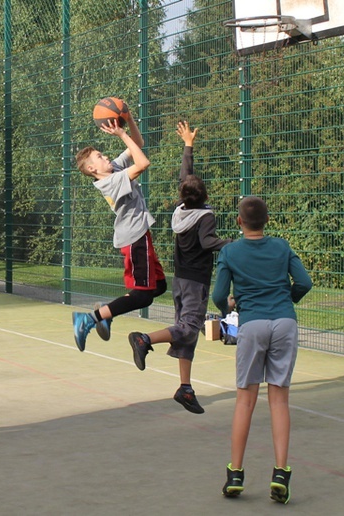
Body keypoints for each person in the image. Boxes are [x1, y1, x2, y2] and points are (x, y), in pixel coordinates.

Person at [212, 196, 312, 504]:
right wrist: (285, 299)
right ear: (267, 221)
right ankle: (281, 473)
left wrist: (231, 304)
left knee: (245, 399)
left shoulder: (230, 251)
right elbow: (304, 282)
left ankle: (236, 474)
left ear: (239, 222)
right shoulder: (281, 247)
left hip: (252, 325)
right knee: (279, 398)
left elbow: (218, 296)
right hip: (284, 323)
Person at [127, 121, 231, 414]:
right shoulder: (204, 217)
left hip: (180, 280)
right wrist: (235, 244)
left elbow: (186, 175)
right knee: (188, 327)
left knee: (187, 332)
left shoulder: (182, 210)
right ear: (206, 196)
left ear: (183, 195)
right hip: (196, 281)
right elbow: (209, 242)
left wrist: (188, 145)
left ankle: (185, 388)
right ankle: (144, 339)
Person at [72, 109, 167, 352]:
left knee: (159, 287)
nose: (105, 157)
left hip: (139, 235)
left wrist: (129, 117)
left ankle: (106, 313)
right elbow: (143, 162)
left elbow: (139, 144)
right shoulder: (110, 182)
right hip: (134, 239)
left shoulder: (112, 169)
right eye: (99, 157)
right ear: (93, 169)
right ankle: (91, 319)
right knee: (143, 296)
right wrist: (121, 133)